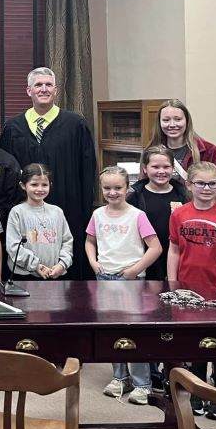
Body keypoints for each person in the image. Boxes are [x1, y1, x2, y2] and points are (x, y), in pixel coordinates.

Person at [0, 67, 96, 279]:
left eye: (48, 85)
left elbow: (87, 171)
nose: (43, 89)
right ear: (29, 91)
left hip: (67, 207)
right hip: (25, 215)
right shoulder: (13, 127)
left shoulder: (75, 124)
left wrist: (84, 209)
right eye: (38, 85)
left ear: (56, 90)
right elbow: (6, 174)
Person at [168, 161, 216, 420]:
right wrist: (173, 283)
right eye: (200, 183)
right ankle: (198, 391)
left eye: (212, 183)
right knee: (196, 342)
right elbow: (174, 249)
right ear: (189, 185)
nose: (206, 188)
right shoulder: (179, 214)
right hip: (188, 290)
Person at [85, 166, 161, 405]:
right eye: (107, 188)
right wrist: (94, 263)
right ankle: (120, 377)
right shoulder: (98, 215)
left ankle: (142, 383)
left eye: (118, 188)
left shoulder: (137, 215)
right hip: (104, 278)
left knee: (132, 331)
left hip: (130, 280)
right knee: (112, 330)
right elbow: (89, 241)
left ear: (127, 188)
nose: (112, 192)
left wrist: (134, 270)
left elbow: (155, 247)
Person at [146, 99, 216, 204]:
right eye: (166, 120)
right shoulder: (150, 152)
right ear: (159, 123)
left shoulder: (208, 150)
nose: (172, 124)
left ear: (187, 121)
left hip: (198, 211)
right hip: (159, 210)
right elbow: (144, 186)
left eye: (178, 119)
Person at [126, 145, 189, 281]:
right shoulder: (134, 197)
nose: (161, 171)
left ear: (173, 168)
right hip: (144, 261)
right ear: (145, 168)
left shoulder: (183, 195)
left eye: (166, 167)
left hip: (175, 258)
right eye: (155, 167)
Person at [6, 163, 73, 280]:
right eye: (34, 184)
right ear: (23, 185)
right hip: (25, 276)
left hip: (54, 274)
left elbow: (67, 241)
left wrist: (62, 264)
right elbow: (13, 246)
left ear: (50, 185)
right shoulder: (17, 212)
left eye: (44, 185)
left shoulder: (57, 212)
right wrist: (36, 265)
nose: (40, 189)